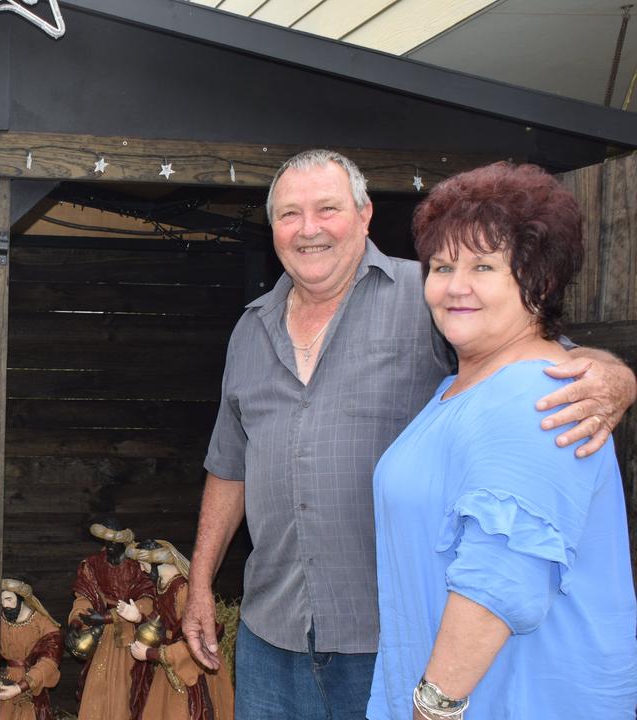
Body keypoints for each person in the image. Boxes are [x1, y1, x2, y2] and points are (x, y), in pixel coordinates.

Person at [179, 149, 635, 720]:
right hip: (272, 630)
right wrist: (200, 584)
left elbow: (539, 359)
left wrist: (616, 376)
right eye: (289, 214)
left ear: (365, 215)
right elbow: (230, 463)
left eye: (327, 208)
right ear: (272, 227)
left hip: (395, 638)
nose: (309, 228)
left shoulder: (427, 297)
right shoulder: (251, 328)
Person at [368, 162, 637, 719]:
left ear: (538, 282)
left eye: (484, 266)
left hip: (508, 701)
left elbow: (500, 580)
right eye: (442, 266)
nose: (455, 286)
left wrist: (432, 709)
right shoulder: (459, 386)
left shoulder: (537, 394)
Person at [123, 539, 229, 720]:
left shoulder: (184, 592)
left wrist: (151, 654)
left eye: (143, 565)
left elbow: (196, 641)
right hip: (172, 665)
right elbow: (164, 627)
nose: (141, 570)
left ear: (155, 563)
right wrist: (139, 618)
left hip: (190, 667)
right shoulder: (163, 585)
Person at [67, 518, 156, 720]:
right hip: (101, 636)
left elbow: (147, 602)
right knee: (96, 685)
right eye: (106, 542)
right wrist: (76, 622)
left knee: (125, 689)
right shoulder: (92, 564)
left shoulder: (138, 567)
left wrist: (109, 617)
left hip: (131, 634)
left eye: (114, 543)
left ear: (123, 543)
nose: (109, 548)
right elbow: (84, 597)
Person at [0, 577, 63, 720]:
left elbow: (49, 661)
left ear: (21, 598)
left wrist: (20, 687)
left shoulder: (43, 624)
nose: (5, 605)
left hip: (31, 686)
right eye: (1, 601)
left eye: (9, 599)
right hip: (4, 682)